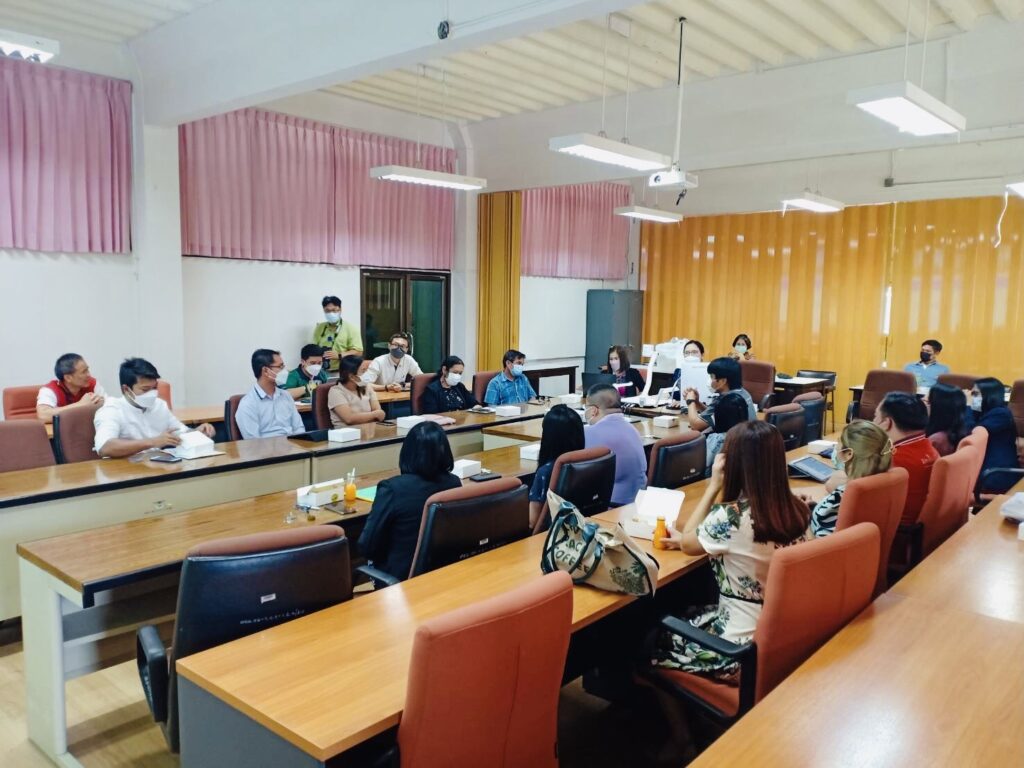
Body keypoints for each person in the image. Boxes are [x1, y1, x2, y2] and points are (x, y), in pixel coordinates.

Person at [653, 421, 810, 680]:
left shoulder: (730, 518)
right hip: (784, 637)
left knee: (650, 638)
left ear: (732, 464)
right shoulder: (798, 508)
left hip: (736, 649)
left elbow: (688, 543)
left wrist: (714, 486)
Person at [357, 422, 462, 581]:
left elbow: (367, 546)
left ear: (407, 452)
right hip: (442, 575)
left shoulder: (391, 489)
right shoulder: (454, 483)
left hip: (400, 580)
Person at [93, 358, 214, 458]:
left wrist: (198, 432)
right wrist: (153, 442)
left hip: (155, 465)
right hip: (123, 472)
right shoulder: (111, 409)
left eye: (154, 388)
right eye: (145, 389)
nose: (152, 394)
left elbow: (180, 432)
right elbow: (105, 447)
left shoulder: (159, 405)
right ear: (126, 389)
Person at [800, 421, 893, 537]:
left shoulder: (847, 493)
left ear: (849, 454)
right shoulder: (880, 485)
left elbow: (822, 534)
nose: (835, 448)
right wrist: (814, 507)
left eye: (838, 443)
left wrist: (801, 513)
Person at [869, 392, 938, 525]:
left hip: (891, 529)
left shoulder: (891, 460)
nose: (873, 422)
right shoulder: (930, 449)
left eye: (875, 416)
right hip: (915, 526)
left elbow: (855, 492)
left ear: (886, 423)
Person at [583, 384, 647, 506]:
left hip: (613, 505)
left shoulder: (589, 432)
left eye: (586, 407)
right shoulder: (632, 429)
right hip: (640, 501)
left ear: (593, 410)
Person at [528, 404, 585, 529]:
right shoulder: (588, 461)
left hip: (551, 534)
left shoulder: (546, 471)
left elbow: (533, 521)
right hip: (581, 527)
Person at [235, 349, 306, 439]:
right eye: (280, 367)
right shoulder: (248, 404)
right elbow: (253, 442)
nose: (285, 371)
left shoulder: (286, 395)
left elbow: (299, 428)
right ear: (265, 370)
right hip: (267, 447)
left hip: (294, 445)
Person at [676, 357, 757, 430]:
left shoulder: (726, 400)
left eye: (712, 377)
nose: (710, 380)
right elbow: (717, 414)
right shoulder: (743, 392)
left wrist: (690, 401)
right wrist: (697, 403)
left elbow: (695, 425)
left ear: (723, 381)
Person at [970, 377, 1019, 492]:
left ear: (989, 395)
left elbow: (972, 434)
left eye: (975, 394)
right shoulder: (982, 413)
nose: (972, 398)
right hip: (984, 468)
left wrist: (967, 407)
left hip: (995, 474)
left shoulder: (1001, 413)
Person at [36, 353, 106, 424]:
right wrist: (81, 405)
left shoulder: (92, 384)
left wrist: (100, 404)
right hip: (63, 430)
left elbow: (108, 406)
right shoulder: (50, 390)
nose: (89, 375)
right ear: (68, 378)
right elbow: (43, 416)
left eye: (87, 370)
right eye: (84, 372)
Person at [328, 355, 386, 427]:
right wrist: (375, 414)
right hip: (347, 432)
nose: (367, 374)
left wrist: (376, 414)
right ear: (352, 377)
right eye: (363, 371)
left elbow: (379, 414)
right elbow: (349, 419)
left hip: (369, 430)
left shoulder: (367, 387)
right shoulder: (336, 392)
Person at [312, 295, 363, 374]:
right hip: (321, 371)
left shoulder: (351, 328)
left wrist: (339, 355)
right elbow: (313, 348)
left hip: (342, 371)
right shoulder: (320, 328)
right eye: (327, 311)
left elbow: (359, 352)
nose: (331, 313)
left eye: (334, 310)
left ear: (340, 309)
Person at [703, 392, 749, 473]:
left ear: (718, 416)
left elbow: (705, 467)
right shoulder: (751, 435)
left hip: (715, 477)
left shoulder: (717, 439)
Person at [925, 383, 969, 456]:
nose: (925, 405)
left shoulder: (936, 440)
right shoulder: (960, 430)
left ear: (937, 408)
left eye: (928, 402)